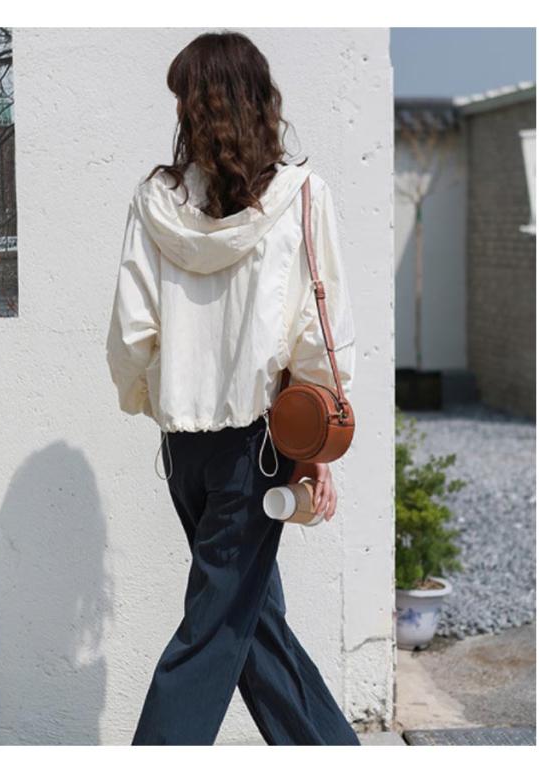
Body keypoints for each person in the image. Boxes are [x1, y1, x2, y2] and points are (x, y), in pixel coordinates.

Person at [105, 30, 359, 746]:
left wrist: (156, 399)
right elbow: (321, 333)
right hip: (259, 449)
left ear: (195, 108)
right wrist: (312, 451)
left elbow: (131, 335)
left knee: (243, 620)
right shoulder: (302, 198)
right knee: (219, 628)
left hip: (184, 451)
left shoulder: (154, 201)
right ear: (260, 102)